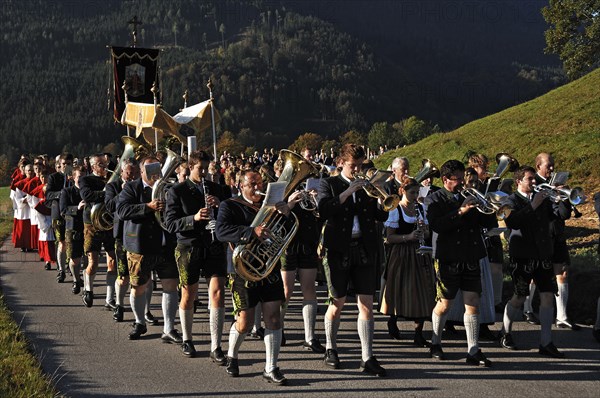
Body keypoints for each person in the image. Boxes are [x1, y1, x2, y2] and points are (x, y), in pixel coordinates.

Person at [317, 143, 388, 377]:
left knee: (366, 304)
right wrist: (347, 192)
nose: (356, 170)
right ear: (340, 164)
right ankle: (331, 347)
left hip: (365, 248)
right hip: (338, 249)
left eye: (359, 165)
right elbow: (324, 210)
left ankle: (367, 356)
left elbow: (380, 215)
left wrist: (380, 198)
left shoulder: (367, 186)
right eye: (352, 166)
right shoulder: (329, 183)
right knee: (336, 303)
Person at [215, 169, 290, 385]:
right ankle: (232, 354)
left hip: (269, 266)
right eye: (251, 184)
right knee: (245, 322)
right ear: (241, 186)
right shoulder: (230, 205)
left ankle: (271, 367)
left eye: (259, 183)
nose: (257, 187)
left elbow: (283, 234)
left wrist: (285, 214)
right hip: (244, 269)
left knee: (274, 317)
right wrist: (250, 231)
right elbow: (221, 232)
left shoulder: (271, 206)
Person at [426, 159, 496, 367]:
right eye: (458, 180)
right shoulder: (434, 200)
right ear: (446, 179)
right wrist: (460, 212)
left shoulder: (471, 196)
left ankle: (473, 350)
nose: (462, 184)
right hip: (448, 256)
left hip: (471, 253)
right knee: (445, 303)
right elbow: (437, 225)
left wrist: (488, 206)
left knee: (472, 302)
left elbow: (488, 222)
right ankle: (436, 341)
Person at [500, 165, 570, 358]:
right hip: (522, 255)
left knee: (547, 296)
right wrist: (533, 205)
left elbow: (562, 215)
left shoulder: (544, 198)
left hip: (543, 254)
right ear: (518, 181)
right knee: (520, 296)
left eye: (534, 179)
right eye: (529, 179)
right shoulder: (510, 200)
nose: (534, 182)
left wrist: (562, 197)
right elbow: (512, 222)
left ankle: (546, 342)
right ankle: (506, 332)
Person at [165, 150, 229, 361]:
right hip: (189, 246)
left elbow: (231, 214)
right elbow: (170, 223)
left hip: (213, 245)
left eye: (206, 169)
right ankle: (187, 338)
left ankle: (216, 345)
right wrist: (193, 217)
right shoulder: (177, 191)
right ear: (190, 167)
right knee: (188, 294)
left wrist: (220, 206)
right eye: (199, 168)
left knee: (218, 292)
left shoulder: (217, 189)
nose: (203, 173)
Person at [116, 156, 180, 343]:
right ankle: (139, 321)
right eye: (150, 169)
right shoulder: (131, 187)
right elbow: (122, 211)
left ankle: (169, 328)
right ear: (141, 171)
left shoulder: (168, 188)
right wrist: (148, 207)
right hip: (140, 246)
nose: (155, 173)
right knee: (138, 287)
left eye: (157, 168)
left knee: (170, 286)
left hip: (165, 244)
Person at [380, 176, 435, 347]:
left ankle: (418, 333)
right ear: (402, 191)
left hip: (419, 254)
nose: (415, 195)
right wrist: (408, 236)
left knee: (423, 291)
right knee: (399, 288)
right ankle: (393, 320)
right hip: (401, 253)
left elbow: (427, 234)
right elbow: (389, 238)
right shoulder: (396, 209)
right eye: (412, 192)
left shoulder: (420, 208)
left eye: (417, 192)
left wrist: (423, 231)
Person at [527, 153, 580, 330]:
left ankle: (562, 316)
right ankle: (527, 309)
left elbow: (564, 215)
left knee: (562, 272)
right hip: (540, 237)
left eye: (552, 165)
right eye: (548, 166)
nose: (551, 169)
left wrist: (564, 196)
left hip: (557, 234)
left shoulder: (556, 185)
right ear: (538, 167)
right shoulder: (533, 184)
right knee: (535, 276)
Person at [280, 184, 326, 353]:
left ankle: (310, 337)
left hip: (307, 244)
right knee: (286, 290)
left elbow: (321, 217)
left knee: (309, 289)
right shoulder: (283, 190)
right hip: (288, 245)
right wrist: (290, 203)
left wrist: (316, 199)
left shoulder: (311, 195)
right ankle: (278, 328)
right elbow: (275, 219)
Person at [79, 154, 117, 308]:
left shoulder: (112, 178)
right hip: (92, 224)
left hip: (109, 222)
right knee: (93, 261)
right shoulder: (86, 180)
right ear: (93, 166)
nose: (104, 166)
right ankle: (88, 290)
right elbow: (87, 196)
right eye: (101, 164)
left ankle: (110, 298)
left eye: (105, 163)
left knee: (112, 261)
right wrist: (108, 193)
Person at [105, 158, 140, 322]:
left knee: (140, 277)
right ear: (121, 172)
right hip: (121, 234)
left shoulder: (140, 186)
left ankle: (142, 313)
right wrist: (122, 192)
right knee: (123, 274)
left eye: (134, 173)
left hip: (138, 233)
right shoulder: (112, 186)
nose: (131, 176)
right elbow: (110, 206)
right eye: (128, 173)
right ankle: (119, 305)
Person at [45, 153, 74, 282]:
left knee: (72, 242)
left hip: (73, 214)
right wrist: (62, 193)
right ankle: (61, 270)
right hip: (58, 214)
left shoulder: (77, 177)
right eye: (64, 164)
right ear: (59, 165)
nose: (66, 167)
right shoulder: (54, 177)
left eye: (69, 164)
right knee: (61, 243)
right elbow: (48, 195)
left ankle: (72, 267)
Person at [60, 166, 86, 294]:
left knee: (89, 259)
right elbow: (63, 210)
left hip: (88, 228)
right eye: (79, 177)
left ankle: (87, 286)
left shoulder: (89, 191)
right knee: (74, 259)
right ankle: (76, 279)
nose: (82, 180)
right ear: (73, 178)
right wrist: (77, 208)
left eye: (84, 177)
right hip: (73, 228)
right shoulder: (67, 191)